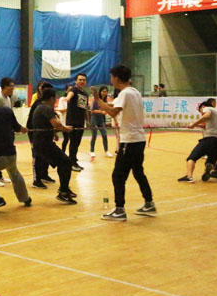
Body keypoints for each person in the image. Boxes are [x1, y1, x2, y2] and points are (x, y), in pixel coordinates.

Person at [92, 65, 156, 221]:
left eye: (112, 77)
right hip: (139, 139)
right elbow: (114, 105)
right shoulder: (134, 92)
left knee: (118, 176)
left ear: (117, 78)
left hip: (130, 141)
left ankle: (119, 209)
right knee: (138, 172)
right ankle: (149, 203)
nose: (111, 80)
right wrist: (102, 102)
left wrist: (98, 100)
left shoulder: (125, 93)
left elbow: (113, 111)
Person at [31, 88, 77, 204]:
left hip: (42, 142)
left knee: (63, 162)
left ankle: (64, 189)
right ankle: (63, 191)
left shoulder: (40, 107)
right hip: (44, 144)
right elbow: (56, 123)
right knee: (66, 162)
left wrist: (54, 133)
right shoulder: (46, 108)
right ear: (51, 98)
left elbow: (45, 124)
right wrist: (65, 129)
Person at [177, 100, 217, 183]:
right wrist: (196, 125)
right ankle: (208, 167)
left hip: (209, 139)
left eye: (201, 112)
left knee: (192, 157)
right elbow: (206, 126)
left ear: (202, 107)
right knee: (211, 161)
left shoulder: (206, 108)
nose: (202, 113)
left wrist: (193, 124)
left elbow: (207, 115)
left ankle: (189, 176)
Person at [66, 73, 89, 172]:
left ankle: (74, 161)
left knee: (77, 143)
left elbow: (85, 108)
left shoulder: (85, 94)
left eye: (84, 80)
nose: (82, 81)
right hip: (72, 121)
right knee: (73, 143)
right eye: (80, 80)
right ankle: (71, 163)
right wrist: (67, 98)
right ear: (76, 81)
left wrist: (87, 121)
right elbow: (70, 95)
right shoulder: (74, 90)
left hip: (80, 122)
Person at [90, 86, 113, 159]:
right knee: (94, 135)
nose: (104, 93)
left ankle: (106, 151)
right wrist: (101, 111)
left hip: (101, 119)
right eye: (103, 91)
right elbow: (92, 110)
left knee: (104, 135)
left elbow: (107, 109)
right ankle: (92, 151)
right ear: (100, 92)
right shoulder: (96, 100)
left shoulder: (106, 101)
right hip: (94, 119)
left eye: (106, 91)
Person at [56, 84, 71, 153]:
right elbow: (61, 110)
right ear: (66, 91)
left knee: (72, 139)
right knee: (66, 139)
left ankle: (72, 154)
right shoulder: (62, 99)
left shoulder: (73, 99)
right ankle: (63, 153)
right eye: (69, 90)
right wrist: (69, 108)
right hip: (64, 122)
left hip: (72, 122)